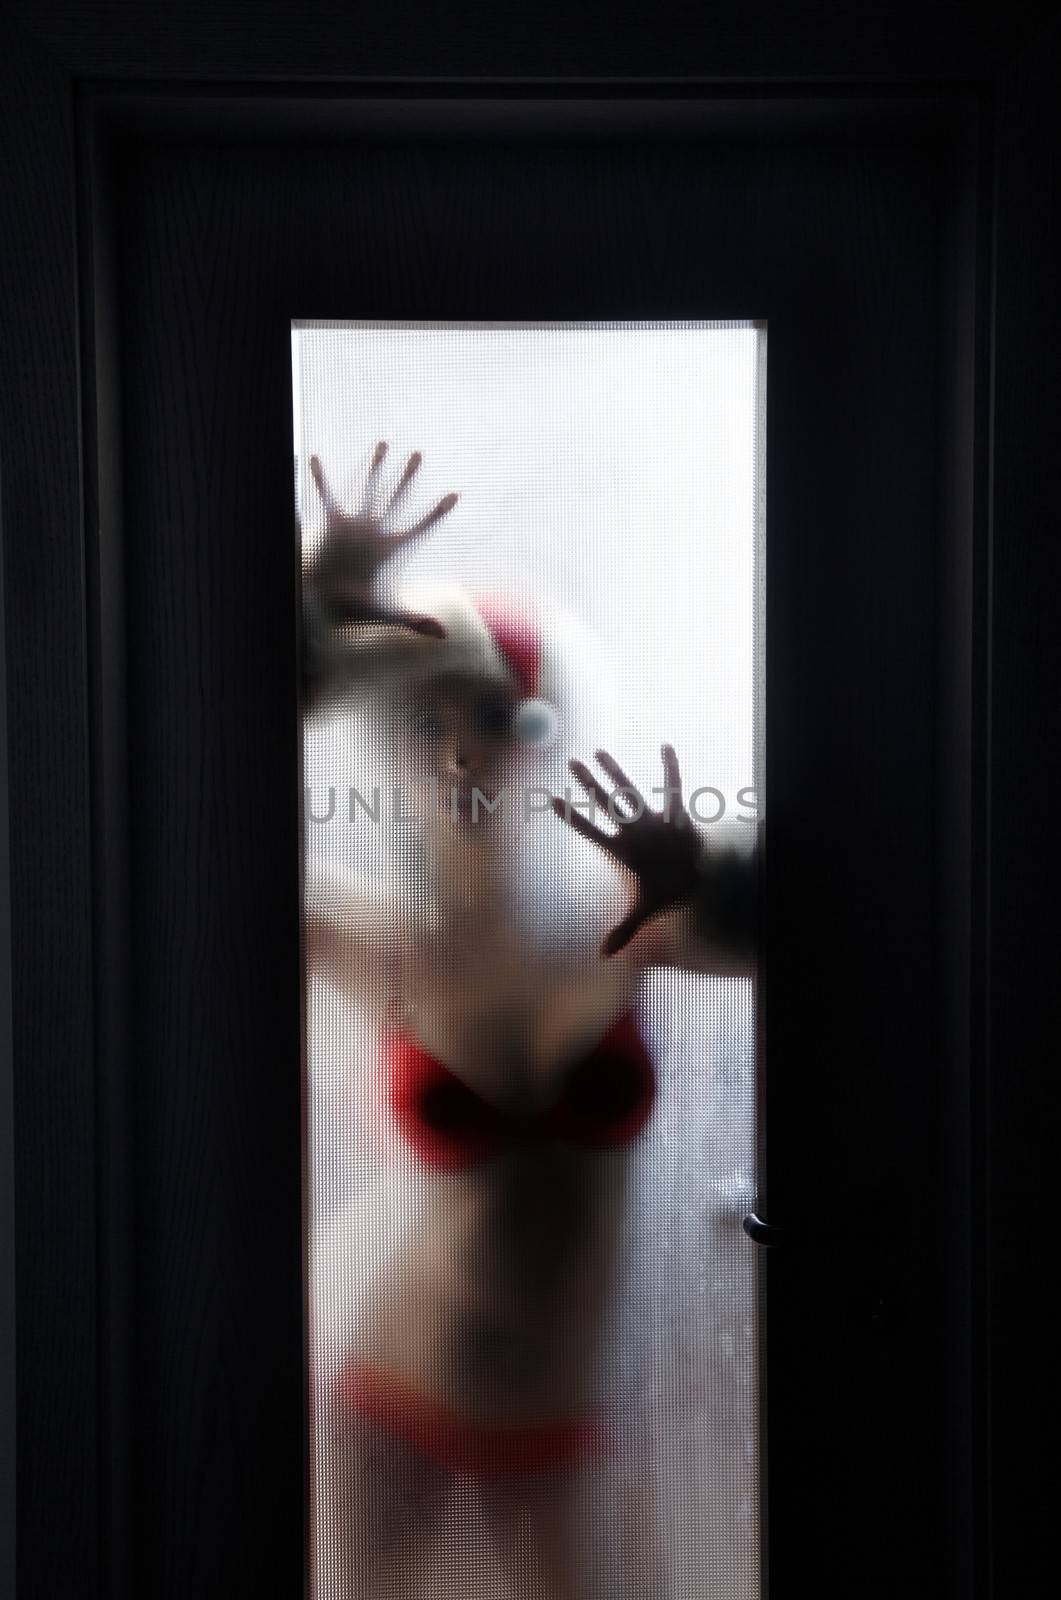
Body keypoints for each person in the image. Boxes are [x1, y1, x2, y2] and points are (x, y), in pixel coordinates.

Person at [302, 445, 757, 1599]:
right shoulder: (386, 943)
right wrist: (322, 611)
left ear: (549, 729)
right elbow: (174, 791)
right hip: (391, 1385)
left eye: (500, 716)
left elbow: (855, 932)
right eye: (426, 724)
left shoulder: (631, 929)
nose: (462, 751)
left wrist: (703, 874)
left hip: (555, 1415)